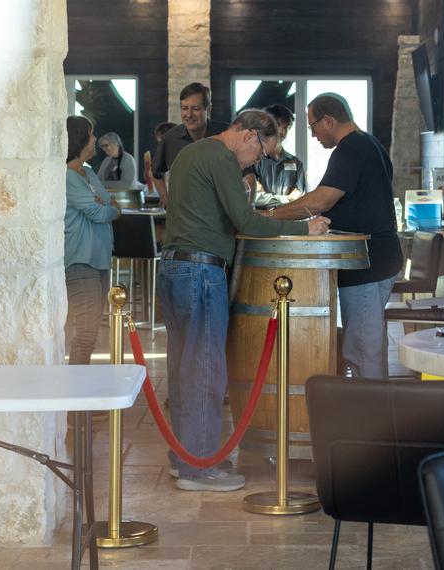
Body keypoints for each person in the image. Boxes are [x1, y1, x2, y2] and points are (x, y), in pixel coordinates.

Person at [158, 109, 330, 492]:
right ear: (251, 136)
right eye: (263, 153)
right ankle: (200, 470)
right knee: (205, 369)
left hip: (171, 268)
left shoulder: (192, 153)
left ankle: (184, 458)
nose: (260, 161)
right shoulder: (222, 158)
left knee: (184, 368)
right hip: (201, 272)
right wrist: (304, 228)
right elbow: (246, 222)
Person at [265, 93, 402, 379]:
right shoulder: (370, 144)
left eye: (313, 126)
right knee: (365, 344)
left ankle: (372, 420)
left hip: (368, 263)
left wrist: (270, 216)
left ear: (329, 120)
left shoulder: (350, 149)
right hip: (378, 258)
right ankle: (371, 413)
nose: (312, 134)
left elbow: (319, 202)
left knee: (363, 348)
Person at [64, 116, 121, 365]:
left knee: (92, 332)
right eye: (91, 134)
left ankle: (78, 396)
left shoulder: (87, 172)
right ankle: (75, 401)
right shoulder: (66, 176)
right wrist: (109, 209)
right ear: (79, 140)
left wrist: (106, 206)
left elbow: (107, 201)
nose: (95, 139)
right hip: (80, 261)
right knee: (86, 333)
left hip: (99, 260)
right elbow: (103, 211)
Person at [150, 83, 228, 206]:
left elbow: (247, 175)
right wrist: (167, 202)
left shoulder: (226, 135)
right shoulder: (170, 138)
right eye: (185, 108)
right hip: (182, 217)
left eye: (195, 108)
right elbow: (155, 173)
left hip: (220, 217)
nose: (189, 114)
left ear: (208, 109)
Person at [245, 104, 307, 209]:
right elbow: (255, 197)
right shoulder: (252, 160)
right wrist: (287, 199)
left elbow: (299, 197)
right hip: (261, 221)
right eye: (278, 125)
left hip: (288, 223)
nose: (282, 132)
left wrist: (267, 198)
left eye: (286, 127)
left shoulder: (295, 163)